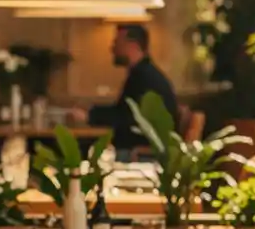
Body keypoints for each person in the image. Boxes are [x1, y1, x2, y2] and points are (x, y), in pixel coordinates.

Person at [69, 24, 179, 158]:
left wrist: (90, 116)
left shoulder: (144, 78)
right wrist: (92, 111)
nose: (112, 49)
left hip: (141, 153)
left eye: (117, 43)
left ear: (133, 45)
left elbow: (127, 119)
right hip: (136, 148)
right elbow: (123, 111)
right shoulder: (142, 74)